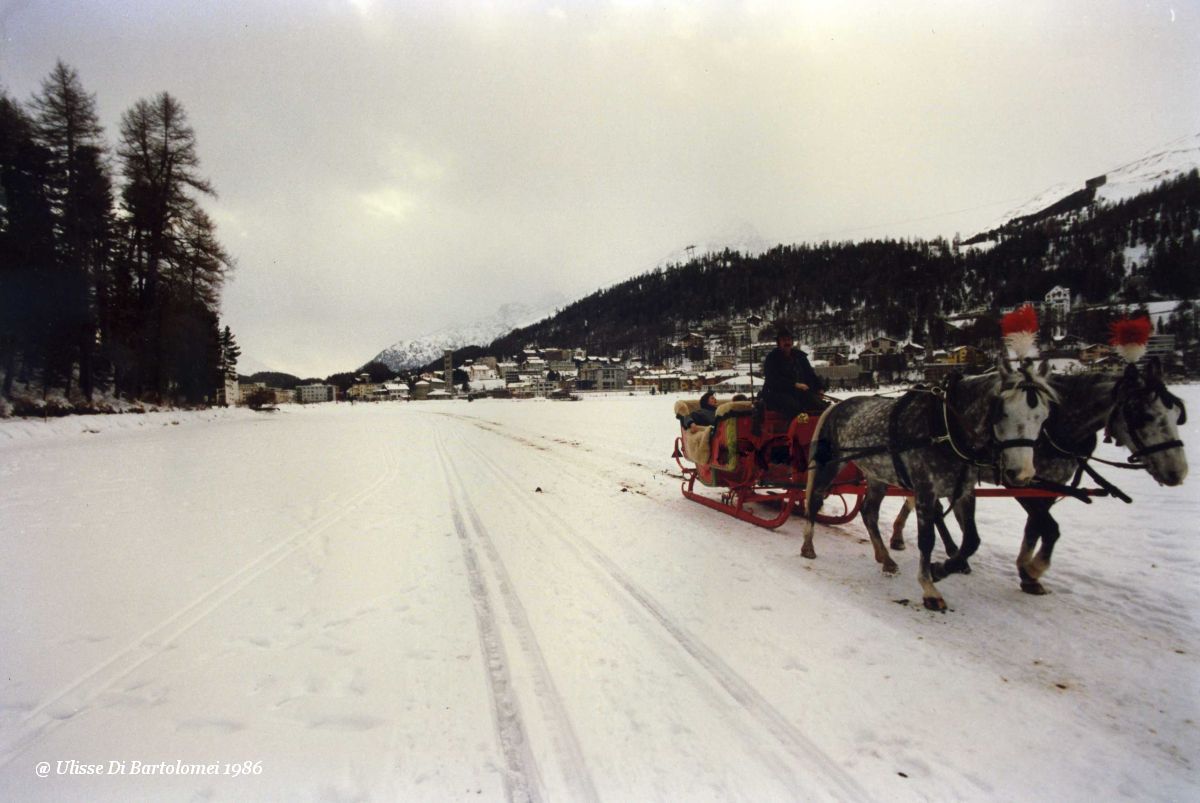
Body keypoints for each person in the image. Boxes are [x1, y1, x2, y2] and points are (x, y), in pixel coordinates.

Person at [760, 326, 825, 418]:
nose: (787, 342)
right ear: (778, 342)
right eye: (784, 340)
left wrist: (819, 388)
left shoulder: (800, 357)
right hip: (776, 394)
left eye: (789, 339)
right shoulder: (772, 358)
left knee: (820, 406)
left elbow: (810, 374)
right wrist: (794, 385)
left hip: (799, 393)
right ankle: (798, 429)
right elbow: (773, 380)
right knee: (796, 409)